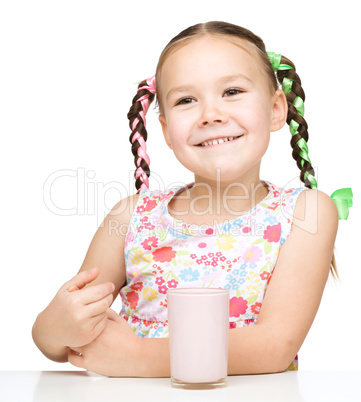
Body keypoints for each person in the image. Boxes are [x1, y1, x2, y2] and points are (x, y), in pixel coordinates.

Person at [32, 21, 353, 377]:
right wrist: (53, 328)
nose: (210, 114)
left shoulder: (306, 213)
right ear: (167, 130)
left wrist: (140, 356)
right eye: (186, 100)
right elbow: (63, 339)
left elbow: (274, 347)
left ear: (277, 108)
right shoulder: (131, 217)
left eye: (232, 91)